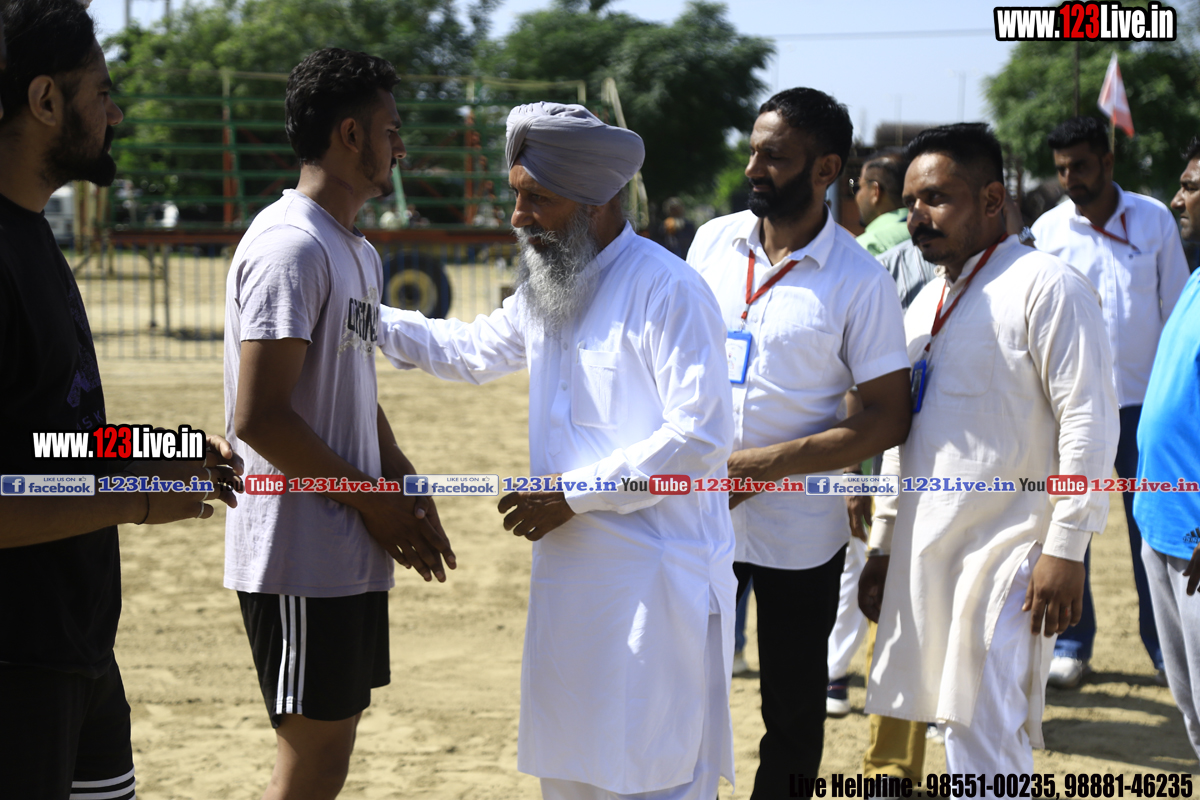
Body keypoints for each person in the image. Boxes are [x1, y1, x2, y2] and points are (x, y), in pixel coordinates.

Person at [378, 102, 737, 800]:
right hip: (570, 589)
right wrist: (362, 315)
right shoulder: (550, 287)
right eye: (517, 196)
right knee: (572, 778)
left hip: (653, 593)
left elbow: (699, 437)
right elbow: (470, 351)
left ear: (596, 200)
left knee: (653, 777)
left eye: (537, 198)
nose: (519, 217)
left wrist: (574, 493)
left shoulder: (668, 290)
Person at [0, 1, 244, 796]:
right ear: (44, 101)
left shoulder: (31, 233)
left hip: (79, 652)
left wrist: (156, 449)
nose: (116, 113)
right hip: (16, 668)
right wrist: (137, 499)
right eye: (101, 92)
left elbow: (46, 439)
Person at [222, 48, 453, 800]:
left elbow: (351, 381)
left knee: (329, 759)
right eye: (391, 129)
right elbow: (260, 418)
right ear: (351, 135)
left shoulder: (355, 250)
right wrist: (373, 501)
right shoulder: (291, 247)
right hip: (297, 554)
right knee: (309, 764)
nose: (401, 146)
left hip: (345, 544)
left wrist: (400, 476)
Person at [861, 123, 1118, 775]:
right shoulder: (926, 303)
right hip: (928, 553)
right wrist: (884, 544)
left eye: (937, 198)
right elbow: (900, 436)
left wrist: (1066, 547)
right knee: (955, 732)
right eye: (910, 202)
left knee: (986, 737)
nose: (917, 216)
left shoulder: (1047, 286)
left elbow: (1088, 421)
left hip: (1012, 558)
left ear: (993, 200)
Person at [687, 87, 912, 798]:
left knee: (790, 713)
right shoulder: (711, 244)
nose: (753, 168)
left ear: (826, 170)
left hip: (799, 535)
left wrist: (767, 466)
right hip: (693, 517)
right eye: (753, 151)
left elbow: (887, 416)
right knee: (677, 689)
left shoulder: (860, 281)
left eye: (774, 157)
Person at [1030, 116, 1190, 689]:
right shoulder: (1047, 231)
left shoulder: (1153, 219)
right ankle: (1072, 645)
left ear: (1107, 161)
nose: (1070, 177)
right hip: (1074, 411)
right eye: (1061, 169)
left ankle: (1165, 647)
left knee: (1153, 530)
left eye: (1080, 165)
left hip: (1147, 409)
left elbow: (1179, 309)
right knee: (1071, 525)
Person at [1135, 136, 1200, 761]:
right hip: (1163, 526)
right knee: (1192, 710)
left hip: (1196, 538)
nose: (1178, 200)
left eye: (1191, 187)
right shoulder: (1197, 277)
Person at [853, 148, 911, 256]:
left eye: (859, 187)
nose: (857, 196)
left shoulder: (866, 246)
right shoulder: (932, 236)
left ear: (875, 191)